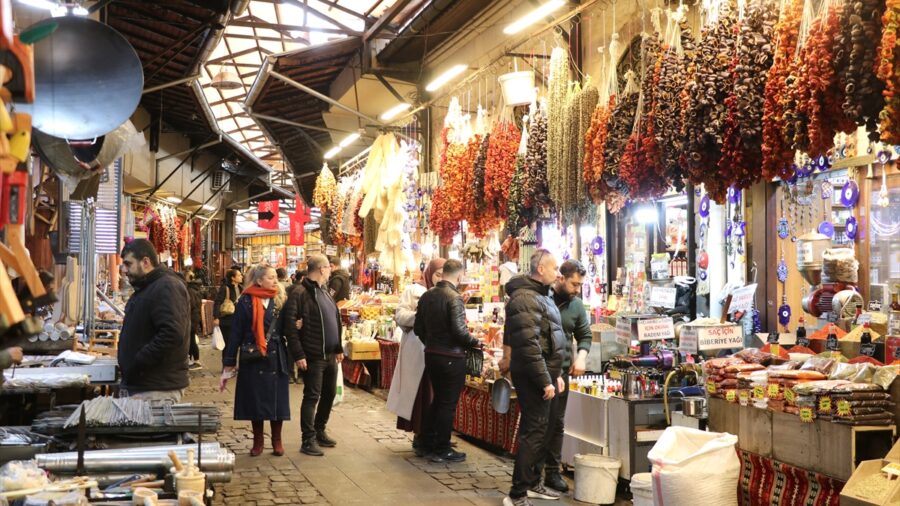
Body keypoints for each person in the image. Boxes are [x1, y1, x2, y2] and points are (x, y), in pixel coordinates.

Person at [502, 249, 567, 506]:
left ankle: (534, 483)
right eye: (554, 268)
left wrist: (557, 374)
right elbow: (530, 347)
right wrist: (545, 380)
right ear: (541, 269)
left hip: (547, 374)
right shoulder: (525, 298)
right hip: (533, 376)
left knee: (546, 428)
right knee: (534, 432)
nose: (557, 273)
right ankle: (517, 494)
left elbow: (550, 337)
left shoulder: (542, 295)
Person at [414, 259, 481, 463]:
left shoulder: (427, 295)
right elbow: (460, 331)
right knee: (447, 403)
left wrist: (432, 343)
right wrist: (475, 342)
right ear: (459, 276)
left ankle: (426, 443)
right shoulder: (455, 297)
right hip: (451, 357)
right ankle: (442, 448)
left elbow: (418, 328)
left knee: (438, 401)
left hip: (432, 354)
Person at [220, 266, 290, 457]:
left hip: (275, 356)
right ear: (259, 281)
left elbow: (288, 328)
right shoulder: (245, 301)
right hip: (253, 356)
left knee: (277, 401)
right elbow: (236, 333)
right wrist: (229, 361)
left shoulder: (281, 299)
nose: (275, 281)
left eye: (276, 277)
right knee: (255, 401)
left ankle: (277, 440)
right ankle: (258, 441)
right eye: (270, 278)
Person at [284, 254, 344, 456]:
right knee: (312, 396)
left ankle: (320, 430)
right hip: (313, 354)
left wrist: (339, 347)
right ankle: (307, 439)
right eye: (328, 268)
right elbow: (290, 327)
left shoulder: (325, 291)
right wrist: (298, 353)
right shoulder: (300, 293)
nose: (330, 271)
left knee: (330, 394)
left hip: (330, 354)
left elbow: (335, 319)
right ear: (321, 269)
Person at [541, 260, 592, 493]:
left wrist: (581, 357)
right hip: (539, 370)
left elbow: (584, 334)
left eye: (580, 285)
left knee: (557, 422)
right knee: (539, 422)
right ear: (560, 278)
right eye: (574, 284)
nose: (577, 289)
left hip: (561, 372)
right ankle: (531, 472)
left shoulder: (577, 306)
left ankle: (552, 471)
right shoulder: (543, 298)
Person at [118, 239, 191, 402]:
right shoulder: (147, 287)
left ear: (145, 262)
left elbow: (172, 334)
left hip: (156, 388)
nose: (124, 270)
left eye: (128, 264)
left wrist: (139, 361)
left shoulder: (166, 286)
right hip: (146, 385)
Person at [387, 258, 445, 456]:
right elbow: (400, 315)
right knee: (421, 395)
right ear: (429, 273)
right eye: (437, 274)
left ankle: (436, 435)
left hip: (439, 352)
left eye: (444, 274)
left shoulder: (447, 293)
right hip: (418, 351)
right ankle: (421, 436)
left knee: (436, 395)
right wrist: (421, 316)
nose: (440, 278)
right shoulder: (414, 290)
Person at [213, 269, 242, 348]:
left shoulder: (241, 288)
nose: (241, 277)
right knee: (227, 344)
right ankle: (226, 360)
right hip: (227, 320)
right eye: (239, 275)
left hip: (238, 320)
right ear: (233, 278)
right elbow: (217, 302)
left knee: (236, 344)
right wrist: (216, 317)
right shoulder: (225, 288)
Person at [185, 271, 205, 370]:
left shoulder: (190, 291)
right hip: (195, 317)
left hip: (191, 317)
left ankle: (194, 360)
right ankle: (194, 360)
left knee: (191, 339)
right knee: (191, 338)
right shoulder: (196, 290)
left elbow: (191, 305)